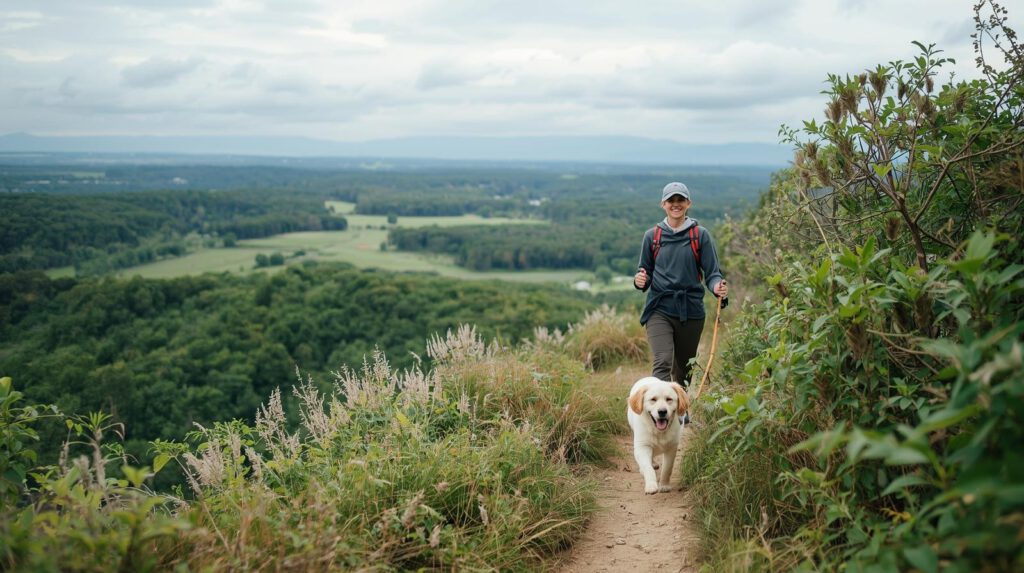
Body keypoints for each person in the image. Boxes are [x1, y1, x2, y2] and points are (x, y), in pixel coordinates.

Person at [634, 182, 728, 422]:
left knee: (684, 368)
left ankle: (680, 411)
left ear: (688, 204)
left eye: (680, 200)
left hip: (690, 310)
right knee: (662, 362)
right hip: (659, 308)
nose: (676, 204)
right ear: (663, 204)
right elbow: (644, 272)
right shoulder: (652, 236)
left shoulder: (700, 235)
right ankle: (660, 416)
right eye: (671, 200)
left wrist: (717, 287)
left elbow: (712, 273)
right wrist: (639, 280)